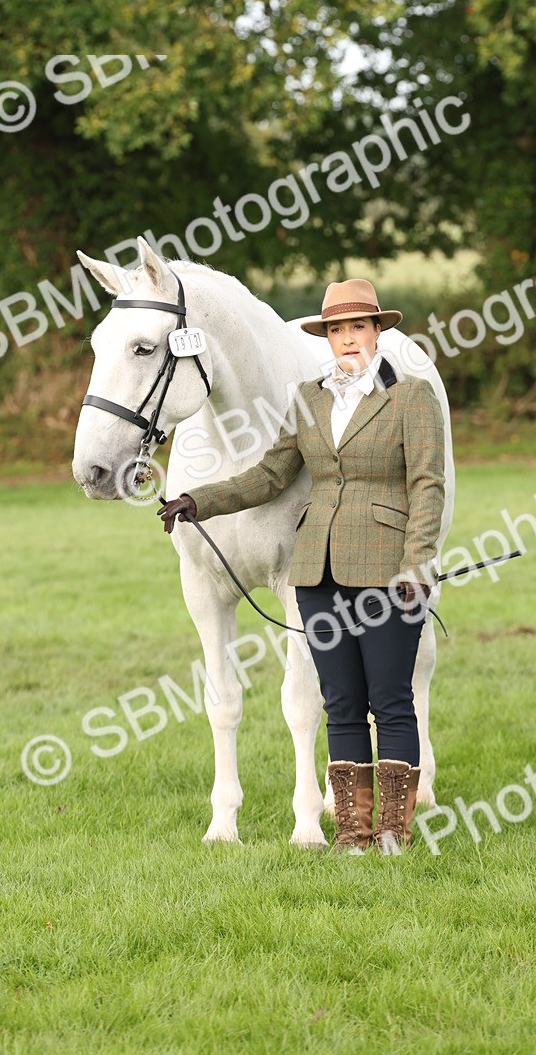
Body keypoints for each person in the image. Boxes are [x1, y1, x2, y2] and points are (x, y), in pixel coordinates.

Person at [159, 278, 445, 855]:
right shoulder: (309, 399)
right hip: (316, 572)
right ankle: (354, 833)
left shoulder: (412, 397)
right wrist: (198, 500)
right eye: (337, 330)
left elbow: (427, 485)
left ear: (377, 331)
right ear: (327, 337)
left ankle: (393, 831)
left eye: (358, 327)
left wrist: (417, 564)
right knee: (340, 702)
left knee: (389, 701)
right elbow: (270, 475)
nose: (348, 339)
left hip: (387, 569)